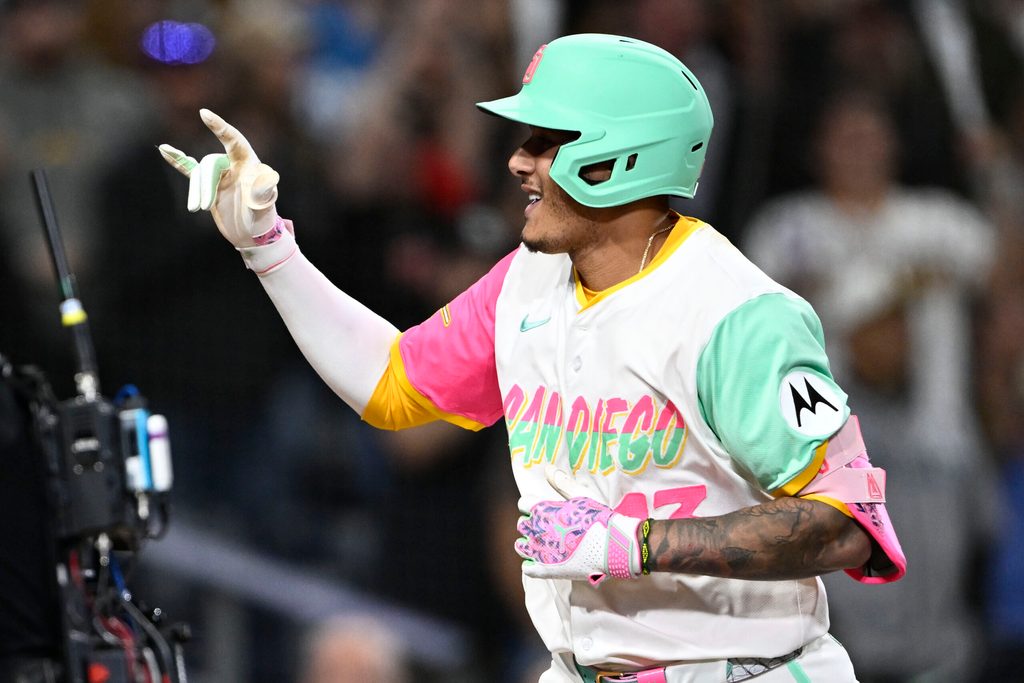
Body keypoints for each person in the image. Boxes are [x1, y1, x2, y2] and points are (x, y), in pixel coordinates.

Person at [158, 34, 905, 682]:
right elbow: (391, 385)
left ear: (623, 156)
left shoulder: (736, 313)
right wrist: (268, 249)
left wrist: (636, 541)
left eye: (547, 141)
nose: (517, 162)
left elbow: (847, 523)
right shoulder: (526, 280)